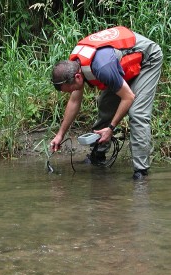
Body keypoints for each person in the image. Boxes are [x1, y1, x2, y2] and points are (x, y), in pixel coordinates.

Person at [50, 26, 163, 179]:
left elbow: (128, 97)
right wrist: (60, 135)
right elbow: (74, 101)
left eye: (69, 89)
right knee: (105, 104)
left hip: (147, 59)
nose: (71, 92)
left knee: (137, 114)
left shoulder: (102, 68)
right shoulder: (75, 64)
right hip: (121, 63)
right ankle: (98, 155)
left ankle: (141, 172)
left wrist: (111, 128)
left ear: (77, 77)